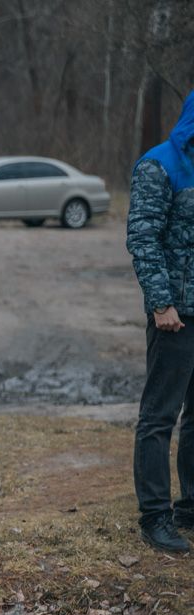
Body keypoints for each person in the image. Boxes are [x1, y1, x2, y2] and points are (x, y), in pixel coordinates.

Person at [127, 90, 194, 554]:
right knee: (159, 416)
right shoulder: (160, 164)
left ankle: (190, 507)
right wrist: (160, 303)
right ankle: (155, 516)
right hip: (175, 315)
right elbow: (143, 237)